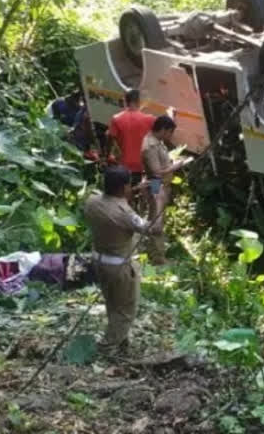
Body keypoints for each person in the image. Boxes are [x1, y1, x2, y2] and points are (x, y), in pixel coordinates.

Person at [84, 166, 150, 353]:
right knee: (126, 310)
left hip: (100, 262)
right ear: (123, 188)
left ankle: (121, 345)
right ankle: (107, 348)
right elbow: (153, 228)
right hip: (119, 268)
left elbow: (112, 200)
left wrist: (136, 189)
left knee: (113, 304)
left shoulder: (92, 201)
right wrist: (155, 199)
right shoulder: (125, 214)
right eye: (130, 185)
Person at [141, 115, 192, 264]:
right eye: (170, 133)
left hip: (159, 184)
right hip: (156, 184)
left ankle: (155, 253)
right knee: (156, 221)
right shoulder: (150, 145)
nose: (170, 137)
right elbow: (156, 172)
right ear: (163, 130)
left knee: (157, 219)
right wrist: (176, 166)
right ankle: (157, 258)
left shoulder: (157, 142)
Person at [107, 89, 155, 187]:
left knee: (126, 194)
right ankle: (153, 197)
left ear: (125, 101)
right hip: (145, 167)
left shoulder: (116, 118)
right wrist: (172, 115)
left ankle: (130, 201)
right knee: (151, 189)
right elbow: (164, 127)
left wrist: (107, 155)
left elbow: (109, 138)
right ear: (138, 101)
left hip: (124, 167)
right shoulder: (149, 119)